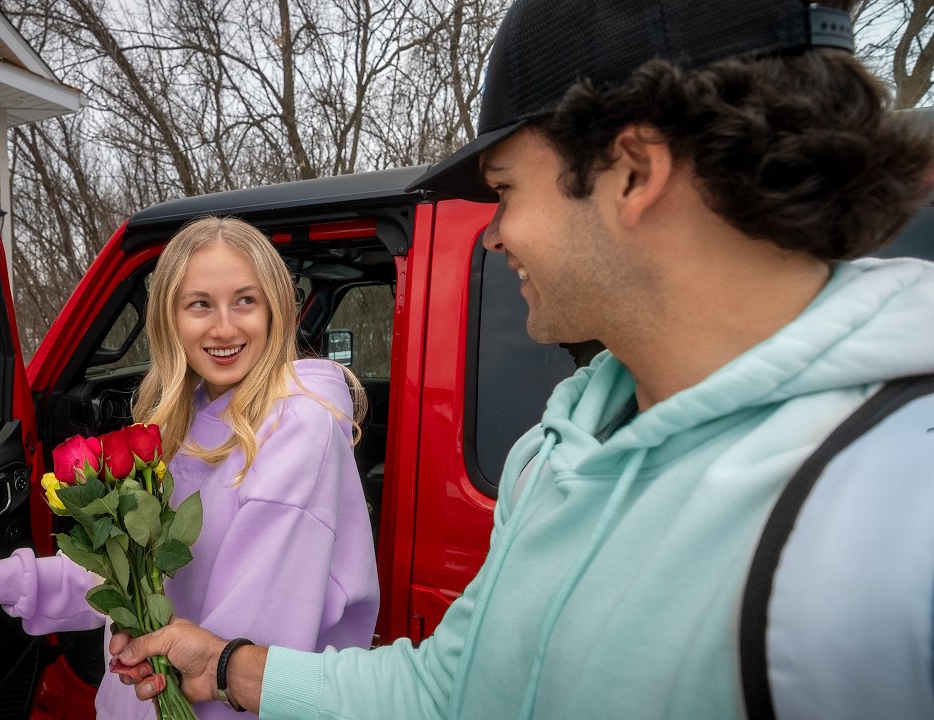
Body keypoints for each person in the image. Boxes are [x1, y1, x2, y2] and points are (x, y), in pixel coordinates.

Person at [109, 1, 934, 718]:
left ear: (634, 172)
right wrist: (226, 666)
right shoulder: (559, 450)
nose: (496, 232)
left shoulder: (896, 517)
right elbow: (450, 693)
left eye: (503, 189)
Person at [0, 216, 380, 719]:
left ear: (275, 311)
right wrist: (1, 580)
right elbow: (129, 579)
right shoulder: (179, 423)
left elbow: (240, 661)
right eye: (200, 304)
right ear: (169, 319)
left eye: (245, 300)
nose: (224, 327)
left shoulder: (297, 430)